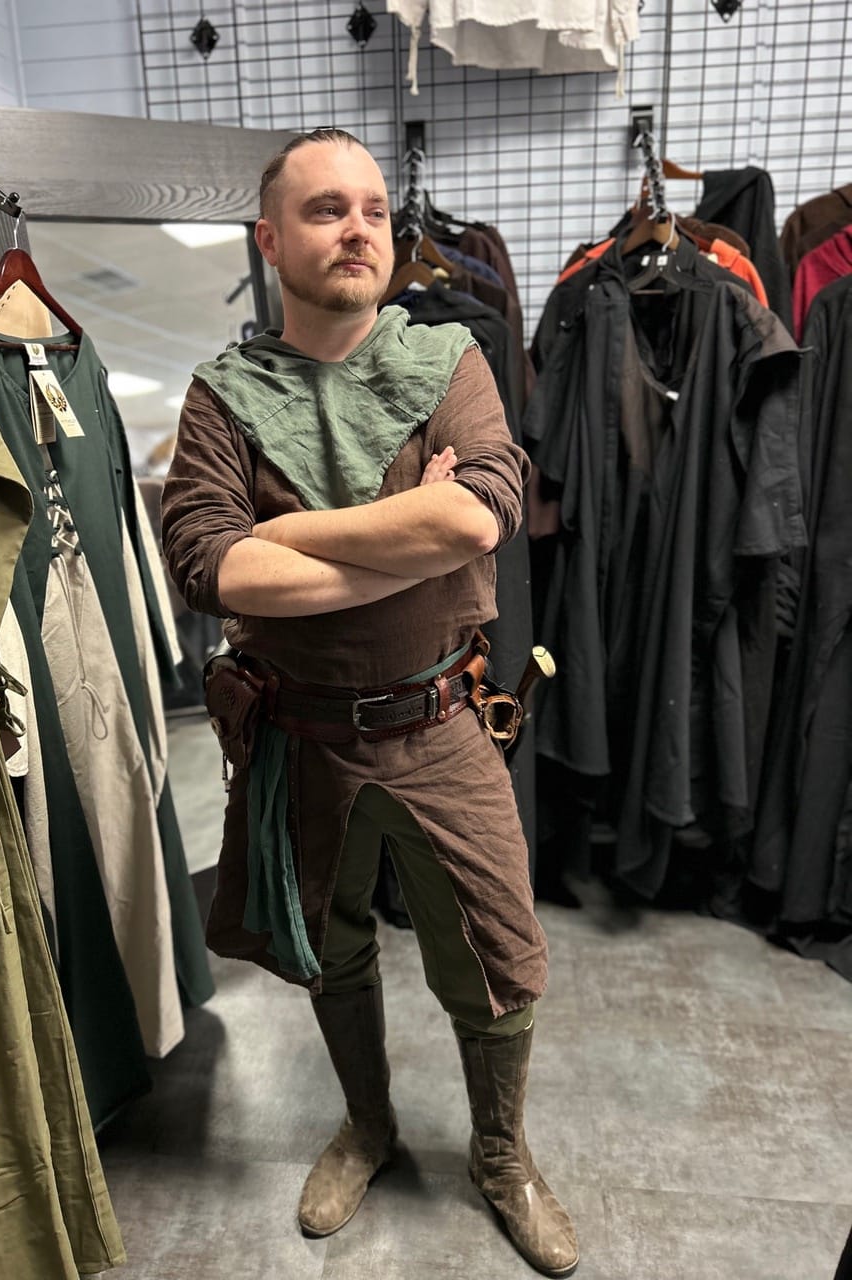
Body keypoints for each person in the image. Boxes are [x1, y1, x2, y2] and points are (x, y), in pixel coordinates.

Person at [161, 127, 578, 1278]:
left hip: (443, 724)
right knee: (329, 946)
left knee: (498, 955)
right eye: (325, 209)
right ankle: (369, 1125)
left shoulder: (447, 361)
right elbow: (211, 564)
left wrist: (291, 532)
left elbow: (476, 512)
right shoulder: (226, 396)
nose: (358, 229)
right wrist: (404, 540)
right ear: (269, 239)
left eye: (373, 210)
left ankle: (502, 1154)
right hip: (300, 736)